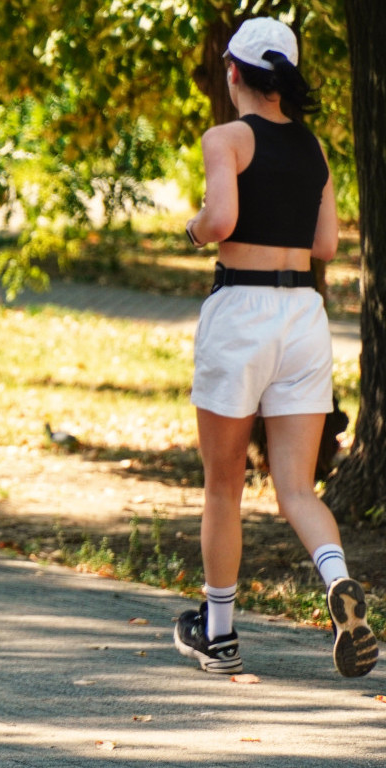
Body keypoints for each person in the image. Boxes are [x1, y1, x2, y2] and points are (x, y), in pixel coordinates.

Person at [177, 17, 377, 678]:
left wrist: (195, 229)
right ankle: (337, 583)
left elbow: (222, 220)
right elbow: (326, 247)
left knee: (223, 483)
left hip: (241, 310)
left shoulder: (225, 138)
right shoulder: (314, 149)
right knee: (296, 485)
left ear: (232, 72)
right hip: (304, 316)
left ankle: (220, 634)